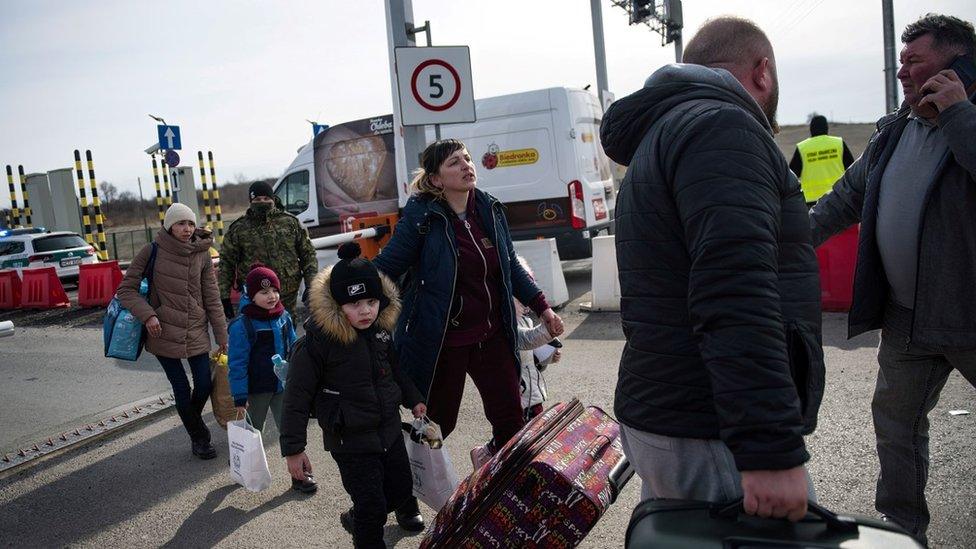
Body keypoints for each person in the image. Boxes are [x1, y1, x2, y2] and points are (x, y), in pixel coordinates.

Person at [600, 16, 825, 522]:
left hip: (673, 410)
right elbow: (735, 289)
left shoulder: (667, 132)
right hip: (708, 426)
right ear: (762, 71)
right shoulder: (723, 128)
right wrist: (768, 451)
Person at [808, 14, 976, 544]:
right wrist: (782, 243)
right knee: (896, 426)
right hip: (906, 319)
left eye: (915, 62)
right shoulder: (894, 131)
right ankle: (903, 529)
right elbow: (842, 200)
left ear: (957, 66)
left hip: (968, 314)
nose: (902, 72)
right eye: (901, 62)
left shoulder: (967, 120)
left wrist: (959, 115)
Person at [371, 138, 564, 522]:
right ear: (437, 179)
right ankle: (402, 498)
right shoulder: (424, 216)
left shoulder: (489, 208)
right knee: (438, 425)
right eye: (454, 163)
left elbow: (508, 265)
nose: (466, 166)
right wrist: (347, 294)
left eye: (468, 159)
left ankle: (508, 496)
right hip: (443, 341)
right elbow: (388, 266)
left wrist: (543, 306)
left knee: (511, 419)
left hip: (491, 335)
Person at [279, 242, 426, 549]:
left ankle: (357, 517)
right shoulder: (317, 343)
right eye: (355, 304)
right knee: (372, 507)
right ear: (336, 304)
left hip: (388, 429)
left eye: (372, 302)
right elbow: (296, 397)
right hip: (350, 439)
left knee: (400, 490)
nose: (365, 311)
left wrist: (413, 398)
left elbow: (396, 370)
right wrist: (293, 449)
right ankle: (365, 526)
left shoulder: (380, 331)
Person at [117, 203, 228, 459]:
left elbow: (212, 297)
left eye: (190, 223)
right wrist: (148, 315)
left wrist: (222, 335)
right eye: (180, 223)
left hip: (196, 328)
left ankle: (192, 424)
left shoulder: (201, 253)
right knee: (181, 387)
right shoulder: (151, 251)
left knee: (202, 385)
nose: (187, 229)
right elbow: (126, 290)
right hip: (162, 331)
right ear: (169, 225)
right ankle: (200, 438)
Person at [227, 264, 309, 489]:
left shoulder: (283, 316)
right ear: (250, 295)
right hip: (257, 390)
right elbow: (237, 363)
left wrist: (300, 375)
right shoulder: (242, 325)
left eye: (274, 290)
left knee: (290, 429)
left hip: (283, 386)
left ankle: (300, 475)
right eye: (264, 292)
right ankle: (243, 463)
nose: (271, 296)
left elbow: (294, 348)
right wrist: (240, 395)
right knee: (254, 431)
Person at [218, 181, 318, 319]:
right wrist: (224, 296)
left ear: (273, 199)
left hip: (287, 292)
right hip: (255, 296)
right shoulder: (239, 228)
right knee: (259, 334)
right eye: (258, 199)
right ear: (251, 201)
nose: (262, 202)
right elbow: (226, 263)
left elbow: (308, 254)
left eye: (266, 198)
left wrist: (311, 285)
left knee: (288, 331)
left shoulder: (290, 223)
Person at [514, 257, 561, 422]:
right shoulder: (505, 325)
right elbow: (526, 339)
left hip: (535, 396)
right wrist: (549, 329)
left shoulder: (526, 320)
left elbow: (533, 363)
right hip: (519, 400)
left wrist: (548, 358)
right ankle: (488, 449)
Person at [789, 114, 855, 204]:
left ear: (811, 129)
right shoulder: (838, 143)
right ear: (826, 128)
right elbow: (852, 170)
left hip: (811, 201)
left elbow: (792, 175)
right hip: (838, 197)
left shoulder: (803, 148)